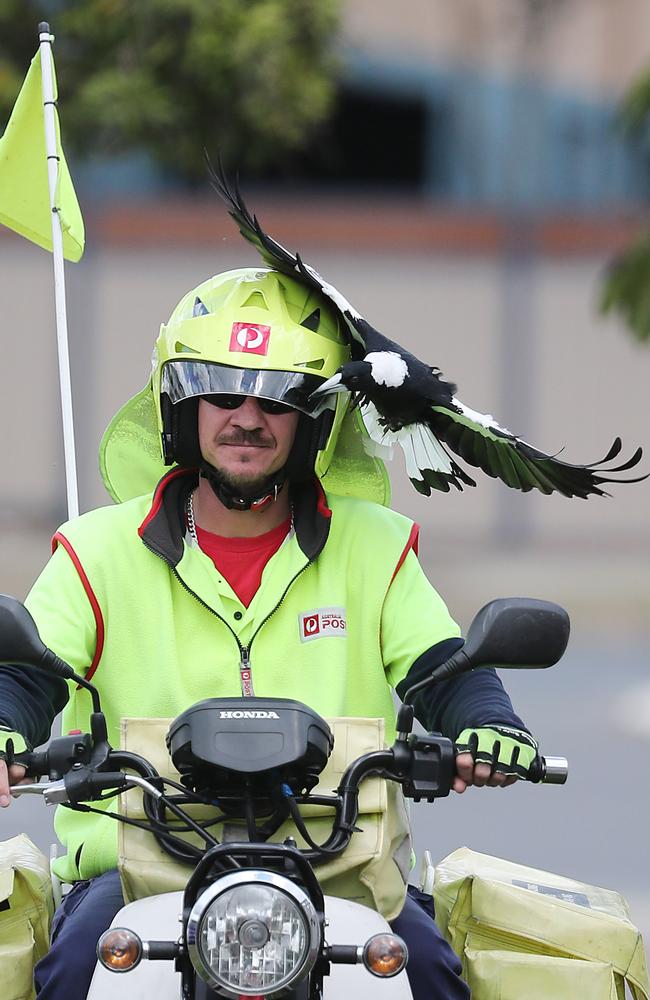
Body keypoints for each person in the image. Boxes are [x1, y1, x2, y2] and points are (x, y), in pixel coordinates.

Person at [0, 267, 539, 1000]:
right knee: (69, 975)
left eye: (277, 397)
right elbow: (34, 669)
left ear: (312, 419)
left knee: (433, 976)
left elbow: (444, 664)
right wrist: (5, 727)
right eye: (221, 392)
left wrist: (487, 724)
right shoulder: (95, 552)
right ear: (181, 408)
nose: (245, 417)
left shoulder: (376, 549)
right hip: (133, 869)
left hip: (345, 869)